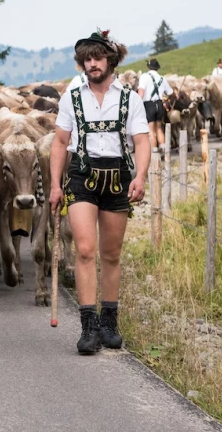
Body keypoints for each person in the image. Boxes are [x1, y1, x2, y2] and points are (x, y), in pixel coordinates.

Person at [48, 29, 150, 355]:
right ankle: (88, 326)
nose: (92, 64)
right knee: (85, 250)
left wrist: (141, 176)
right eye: (87, 59)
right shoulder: (72, 98)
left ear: (110, 60)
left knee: (111, 254)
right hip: (81, 176)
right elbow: (61, 142)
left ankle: (110, 321)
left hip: (118, 175)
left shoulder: (130, 99)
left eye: (97, 57)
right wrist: (54, 184)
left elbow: (142, 141)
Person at [137, 58, 173, 149]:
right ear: (157, 68)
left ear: (148, 67)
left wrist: (136, 103)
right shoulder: (162, 78)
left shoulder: (144, 76)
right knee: (159, 128)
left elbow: (141, 92)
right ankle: (163, 148)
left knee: (151, 129)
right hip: (160, 104)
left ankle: (154, 151)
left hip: (149, 105)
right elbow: (170, 92)